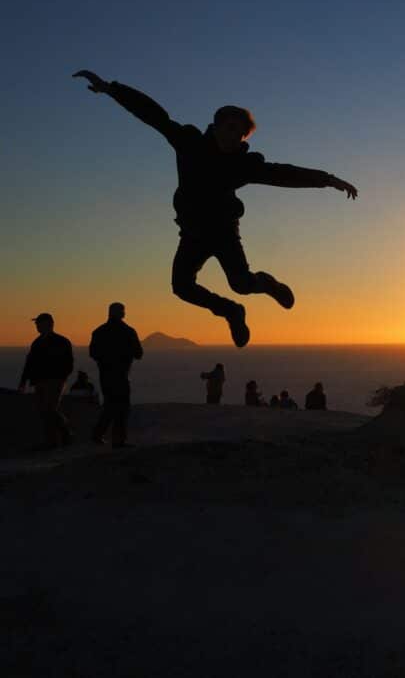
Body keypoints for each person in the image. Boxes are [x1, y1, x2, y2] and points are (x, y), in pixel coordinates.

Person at [72, 70, 359, 348]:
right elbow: (153, 115)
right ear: (217, 125)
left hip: (223, 231)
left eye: (242, 133)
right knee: (182, 287)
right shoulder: (189, 142)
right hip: (193, 232)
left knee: (242, 284)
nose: (235, 136)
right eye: (231, 128)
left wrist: (328, 180)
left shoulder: (243, 166)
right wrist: (111, 89)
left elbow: (284, 174)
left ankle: (269, 285)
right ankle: (231, 312)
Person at [89, 303, 144, 447]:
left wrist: (105, 359)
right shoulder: (128, 331)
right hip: (121, 374)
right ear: (122, 314)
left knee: (110, 404)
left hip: (105, 375)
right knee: (122, 407)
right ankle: (118, 440)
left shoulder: (99, 331)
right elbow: (139, 353)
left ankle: (98, 434)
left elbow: (93, 353)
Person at [17, 313, 75, 448]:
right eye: (37, 323)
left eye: (39, 323)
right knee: (44, 411)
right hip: (40, 381)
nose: (36, 326)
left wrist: (61, 378)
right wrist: (23, 382)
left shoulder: (61, 341)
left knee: (49, 409)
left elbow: (68, 362)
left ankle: (58, 437)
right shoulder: (36, 343)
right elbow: (29, 363)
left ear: (49, 324)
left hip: (55, 381)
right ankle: (58, 437)